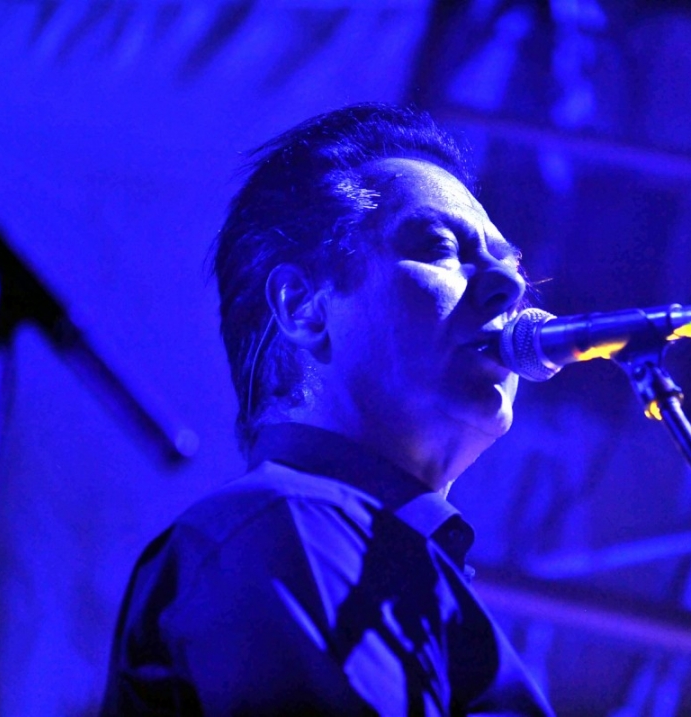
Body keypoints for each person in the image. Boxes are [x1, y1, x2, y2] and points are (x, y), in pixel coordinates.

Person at [101, 103, 554, 716]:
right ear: (304, 306)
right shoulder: (286, 522)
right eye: (442, 247)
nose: (511, 287)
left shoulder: (372, 558)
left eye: (510, 263)